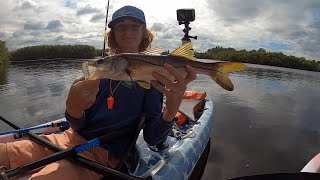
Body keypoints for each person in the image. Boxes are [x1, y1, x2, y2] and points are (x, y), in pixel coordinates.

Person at [0, 5, 197, 180]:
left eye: (134, 26)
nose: (127, 32)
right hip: (66, 139)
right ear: (112, 34)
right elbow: (77, 126)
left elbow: (153, 138)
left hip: (104, 154)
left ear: (144, 34)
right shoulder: (99, 69)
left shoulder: (152, 78)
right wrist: (73, 109)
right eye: (120, 27)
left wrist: (171, 108)